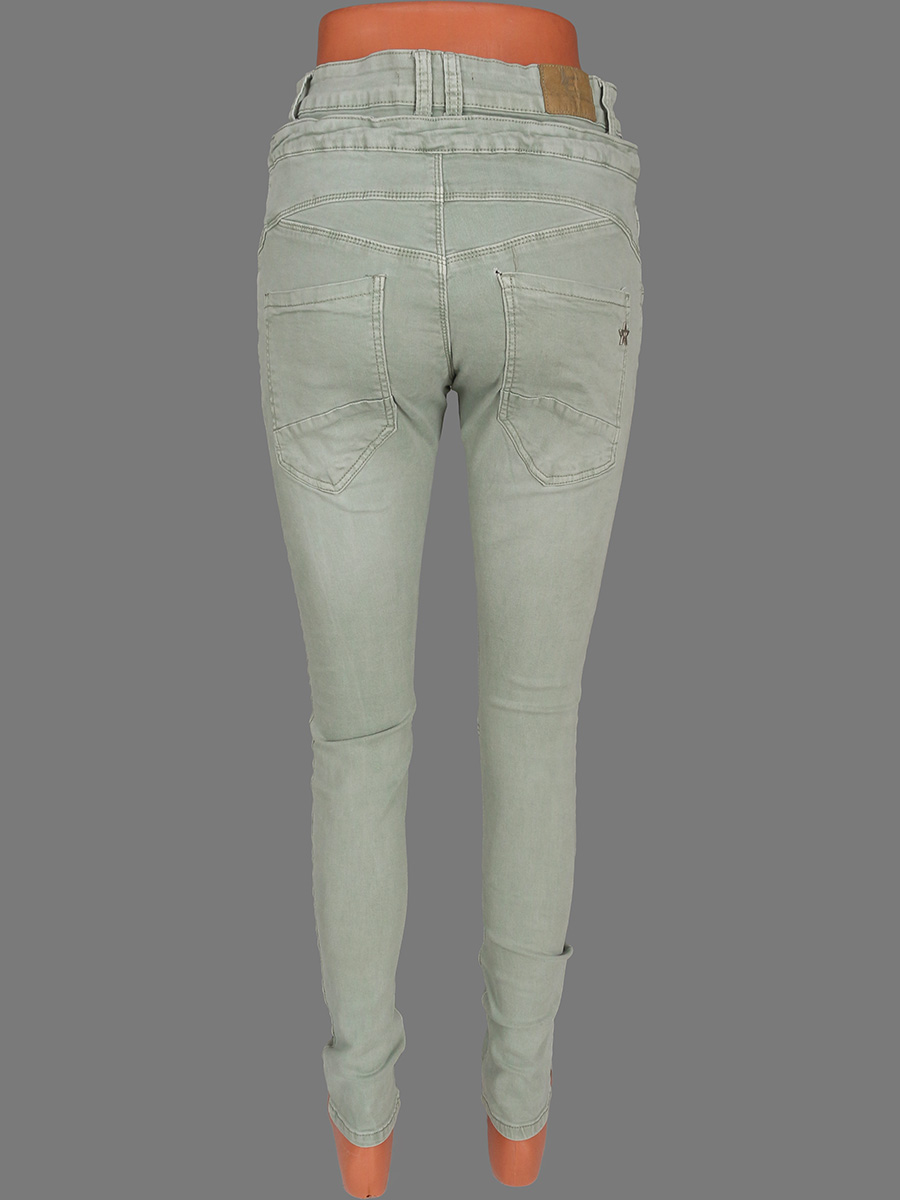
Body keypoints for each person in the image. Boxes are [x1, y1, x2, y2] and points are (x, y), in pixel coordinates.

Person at [256, 3, 644, 1193]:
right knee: (535, 724)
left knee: (357, 739)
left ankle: (362, 1136)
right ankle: (519, 1130)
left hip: (344, 182)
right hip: (554, 175)